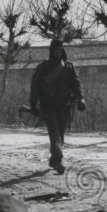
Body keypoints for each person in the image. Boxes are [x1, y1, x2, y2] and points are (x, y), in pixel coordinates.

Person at [29, 38, 86, 174]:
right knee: (54, 133)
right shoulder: (43, 68)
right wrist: (33, 104)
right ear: (51, 51)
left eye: (60, 49)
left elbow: (76, 84)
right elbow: (35, 86)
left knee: (60, 134)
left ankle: (54, 159)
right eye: (55, 49)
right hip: (49, 106)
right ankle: (58, 160)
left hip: (65, 106)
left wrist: (81, 98)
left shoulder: (68, 66)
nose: (58, 52)